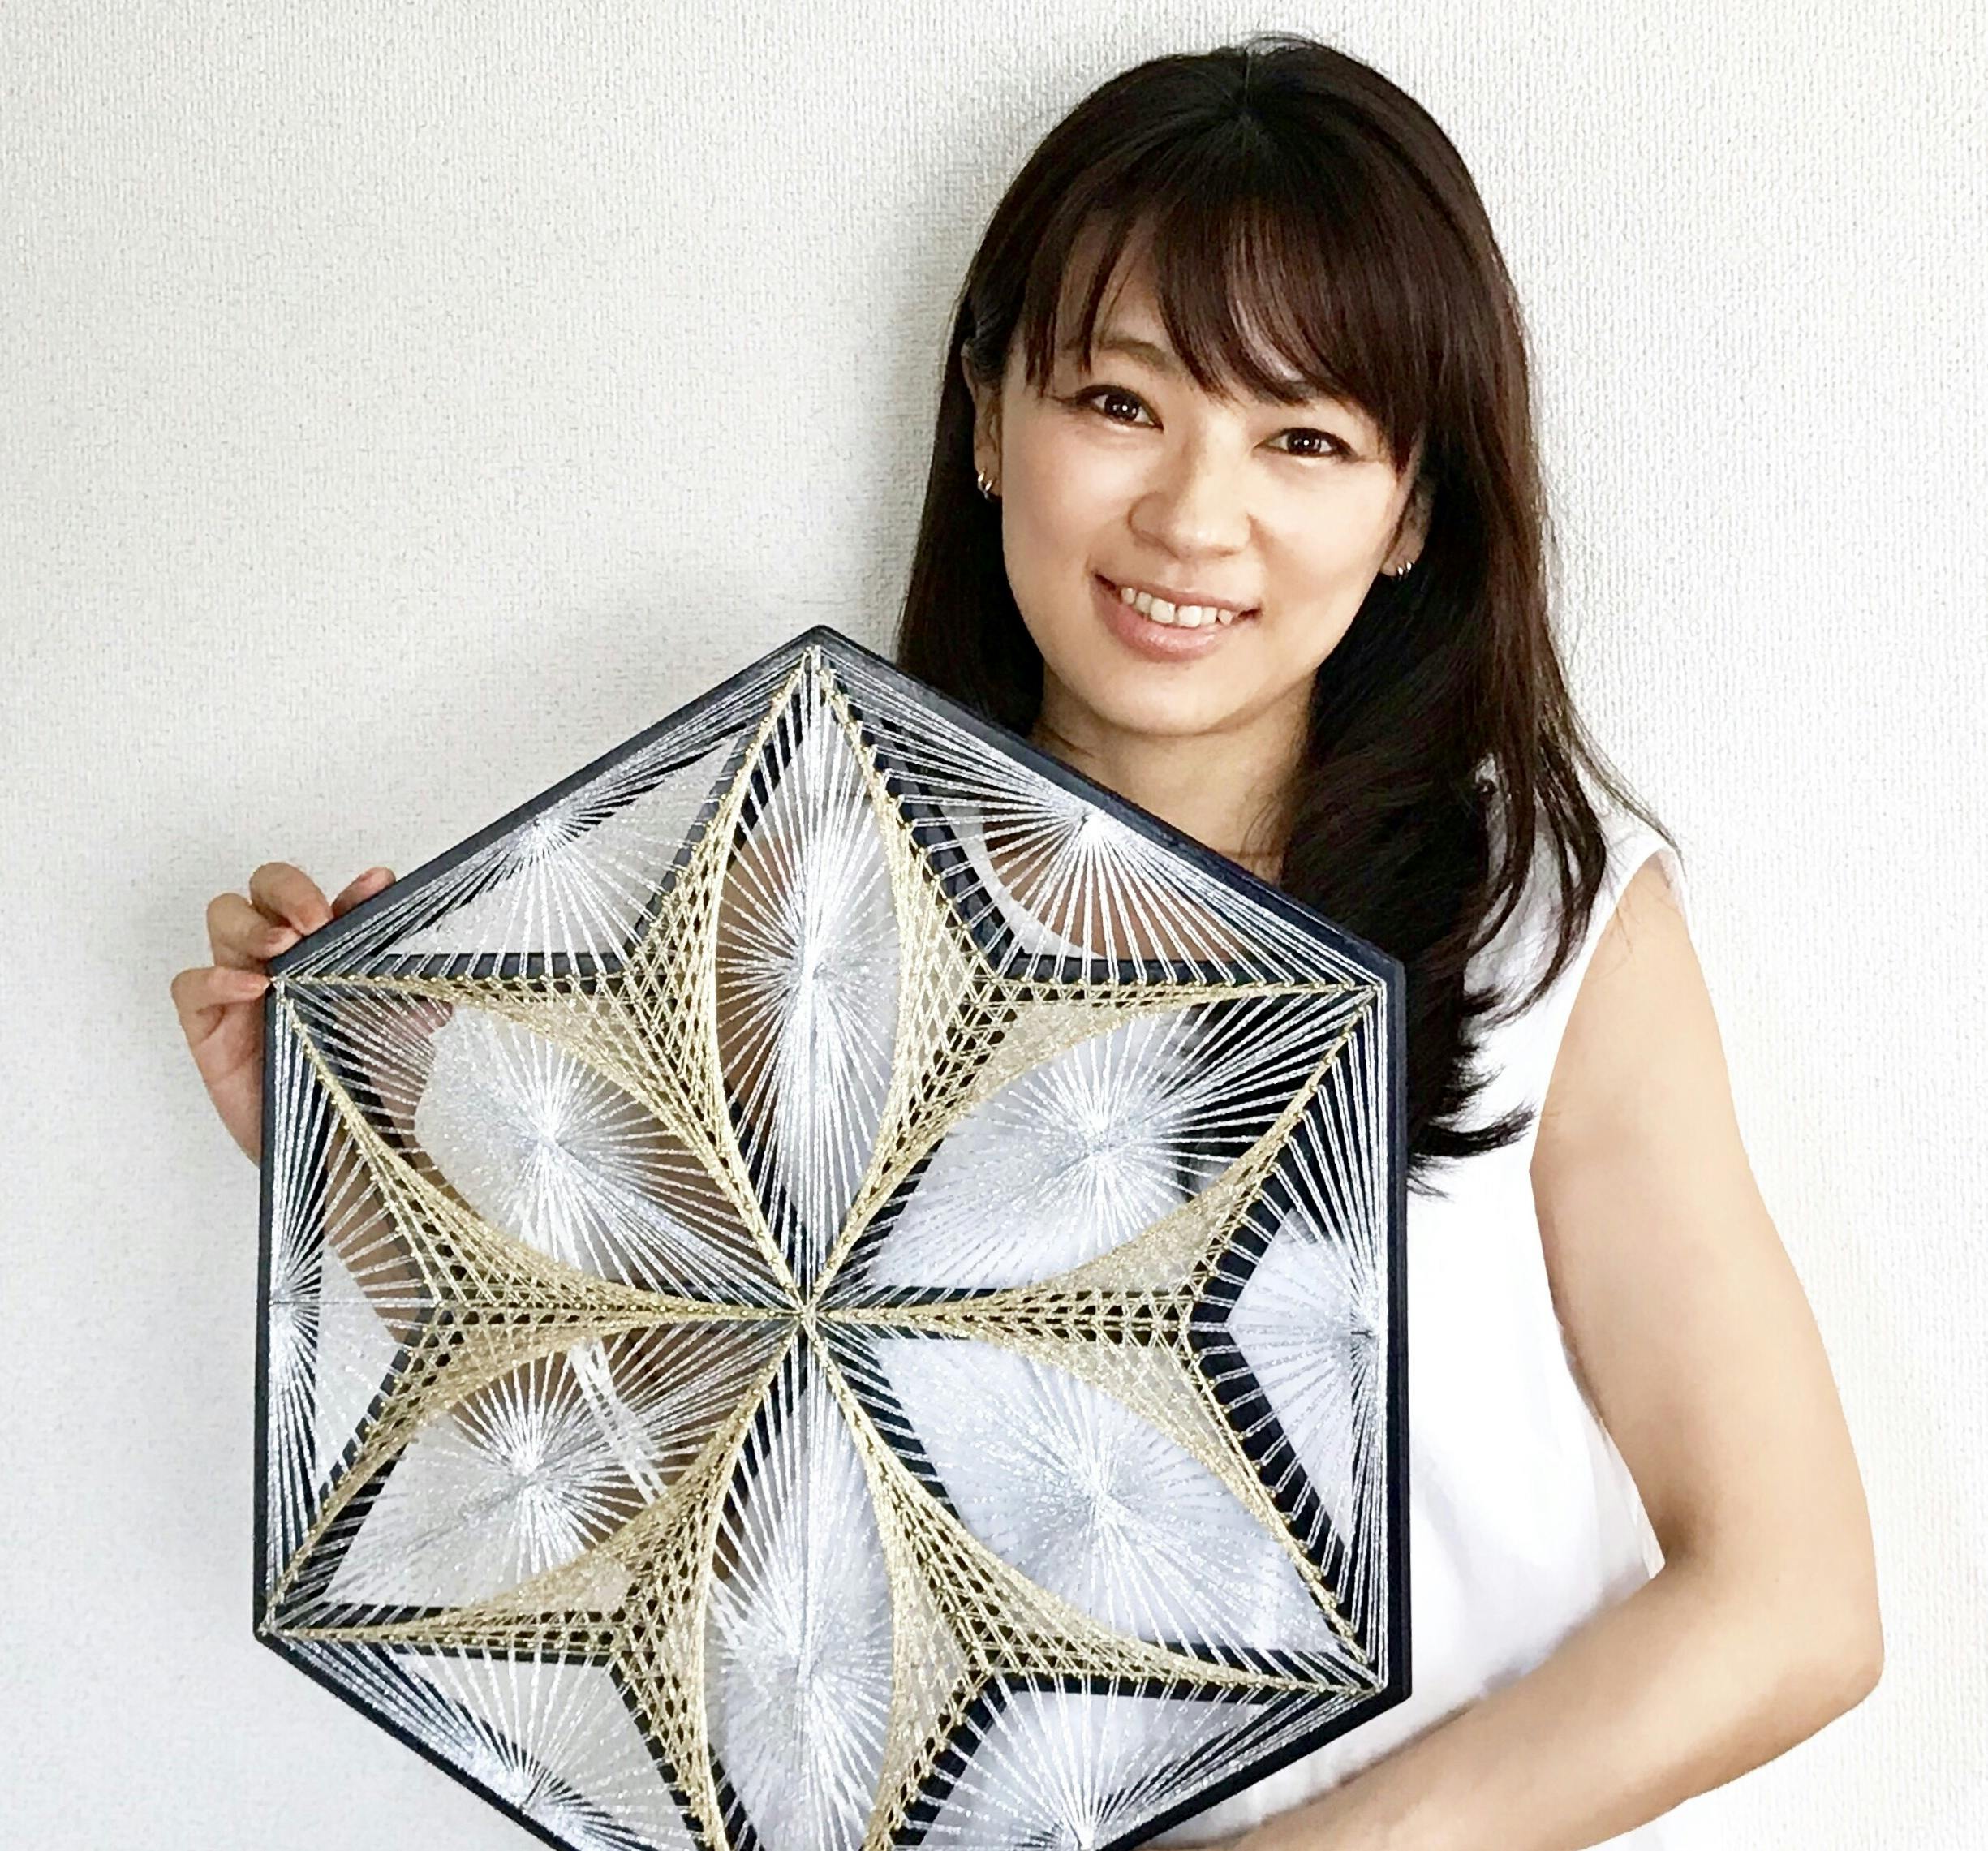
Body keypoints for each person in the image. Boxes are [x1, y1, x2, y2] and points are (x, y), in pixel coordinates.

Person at [170, 30, 1881, 1851]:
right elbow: (701, 1509)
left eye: (1303, 438)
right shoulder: (800, 908)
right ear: (988, 420)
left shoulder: (1541, 923)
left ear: (1411, 515)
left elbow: (1790, 1605)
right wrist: (351, 1163)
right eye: (1120, 404)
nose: (1192, 518)